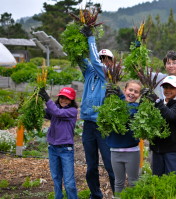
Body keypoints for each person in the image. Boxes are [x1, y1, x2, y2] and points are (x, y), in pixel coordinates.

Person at [79, 26, 121, 199]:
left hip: (103, 125)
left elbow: (94, 61)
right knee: (91, 166)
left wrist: (91, 39)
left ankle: (117, 194)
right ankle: (96, 195)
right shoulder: (89, 74)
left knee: (110, 164)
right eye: (101, 57)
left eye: (107, 59)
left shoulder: (108, 75)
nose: (103, 61)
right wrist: (79, 39)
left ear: (112, 62)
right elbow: (81, 59)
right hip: (89, 124)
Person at [39, 87, 78, 199]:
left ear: (72, 100)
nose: (64, 100)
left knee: (69, 182)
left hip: (66, 150)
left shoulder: (72, 111)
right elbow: (45, 113)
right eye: (62, 97)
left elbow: (57, 113)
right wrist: (36, 100)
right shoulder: (55, 108)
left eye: (67, 99)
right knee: (56, 179)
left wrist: (47, 98)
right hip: (53, 149)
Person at [106, 80, 142, 196]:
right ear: (125, 89)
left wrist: (120, 96)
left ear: (139, 95)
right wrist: (106, 98)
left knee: (133, 182)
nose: (132, 93)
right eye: (130, 90)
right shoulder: (113, 104)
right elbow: (103, 112)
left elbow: (128, 112)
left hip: (132, 152)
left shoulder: (136, 107)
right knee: (118, 182)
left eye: (136, 92)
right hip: (115, 151)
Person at [146, 75, 176, 176]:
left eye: (171, 88)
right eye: (166, 87)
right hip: (157, 150)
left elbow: (170, 115)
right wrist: (144, 100)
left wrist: (157, 101)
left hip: (172, 150)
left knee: (173, 180)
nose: (168, 90)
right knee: (158, 180)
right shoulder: (156, 105)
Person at [153, 50, 176, 146]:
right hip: (159, 122)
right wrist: (140, 47)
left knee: (172, 152)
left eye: (174, 63)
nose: (171, 65)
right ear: (165, 66)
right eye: (168, 63)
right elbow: (142, 71)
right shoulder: (159, 78)